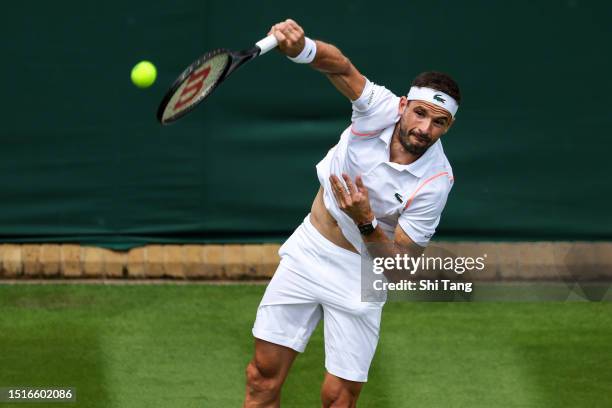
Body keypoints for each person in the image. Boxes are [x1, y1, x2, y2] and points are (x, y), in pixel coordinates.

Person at [244, 18, 461, 407]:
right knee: (261, 378)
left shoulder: (436, 182)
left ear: (449, 126)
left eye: (439, 122)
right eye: (420, 114)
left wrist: (366, 221)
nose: (425, 128)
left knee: (338, 399)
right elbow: (340, 66)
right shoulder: (378, 107)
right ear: (403, 106)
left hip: (363, 273)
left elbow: (398, 268)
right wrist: (302, 48)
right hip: (308, 251)